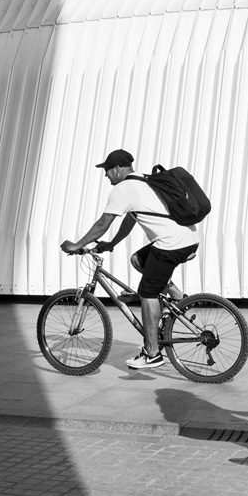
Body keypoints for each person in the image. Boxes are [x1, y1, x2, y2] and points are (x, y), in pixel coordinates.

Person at [61, 149, 199, 370]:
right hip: (187, 238)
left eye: (107, 170)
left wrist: (78, 245)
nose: (106, 175)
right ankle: (176, 296)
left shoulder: (123, 189)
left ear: (117, 169)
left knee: (147, 293)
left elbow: (103, 223)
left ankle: (152, 354)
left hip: (171, 244)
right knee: (137, 260)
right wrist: (112, 243)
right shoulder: (144, 181)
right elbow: (131, 219)